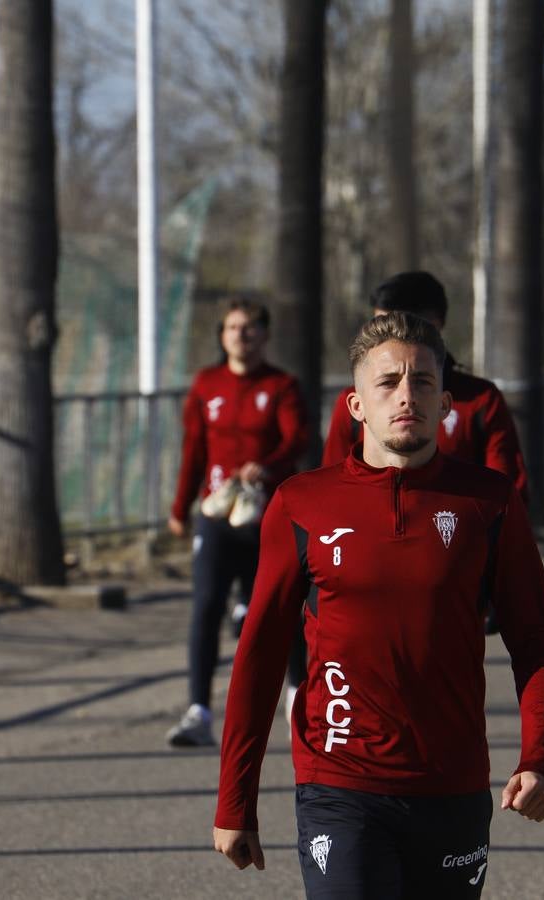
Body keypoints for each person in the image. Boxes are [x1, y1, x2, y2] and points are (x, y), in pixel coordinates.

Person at [213, 312, 544, 898]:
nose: (407, 395)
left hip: (452, 787)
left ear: (445, 403)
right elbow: (260, 655)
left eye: (422, 381)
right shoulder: (303, 503)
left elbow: (537, 644)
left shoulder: (489, 503)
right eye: (388, 382)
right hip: (339, 784)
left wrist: (541, 760)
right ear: (355, 405)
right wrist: (235, 799)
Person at [320, 271, 528, 636]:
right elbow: (331, 488)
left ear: (434, 322)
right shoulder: (355, 403)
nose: (386, 336)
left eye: (395, 323)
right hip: (368, 561)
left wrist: (498, 574)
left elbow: (506, 492)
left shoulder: (479, 400)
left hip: (452, 561)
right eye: (377, 325)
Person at [166, 297, 308, 748]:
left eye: (249, 328)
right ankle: (199, 710)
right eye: (232, 328)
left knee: (281, 607)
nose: (240, 335)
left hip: (267, 515)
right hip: (217, 512)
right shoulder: (206, 384)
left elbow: (297, 438)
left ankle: (298, 696)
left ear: (265, 334)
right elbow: (194, 448)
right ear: (222, 335)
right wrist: (180, 507)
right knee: (206, 604)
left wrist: (267, 466)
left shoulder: (281, 386)